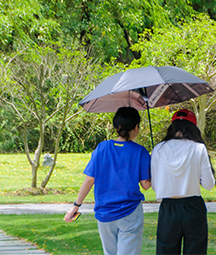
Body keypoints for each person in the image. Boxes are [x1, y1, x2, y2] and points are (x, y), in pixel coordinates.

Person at [64, 106, 151, 255]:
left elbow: (90, 179)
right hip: (130, 212)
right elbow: (146, 185)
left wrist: (76, 205)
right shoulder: (140, 151)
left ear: (116, 127)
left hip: (105, 213)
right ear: (136, 127)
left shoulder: (101, 148)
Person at [151, 109, 216, 255]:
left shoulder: (158, 149)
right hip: (193, 208)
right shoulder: (199, 148)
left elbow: (156, 186)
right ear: (193, 127)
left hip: (168, 208)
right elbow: (208, 184)